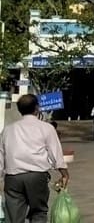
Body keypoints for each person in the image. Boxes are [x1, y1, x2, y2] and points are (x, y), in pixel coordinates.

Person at [0, 94, 69, 223]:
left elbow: (1, 156)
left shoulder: (8, 130)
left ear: (20, 110)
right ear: (37, 108)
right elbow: (56, 154)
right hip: (37, 177)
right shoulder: (46, 128)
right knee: (39, 212)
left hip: (13, 178)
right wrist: (64, 174)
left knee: (14, 218)